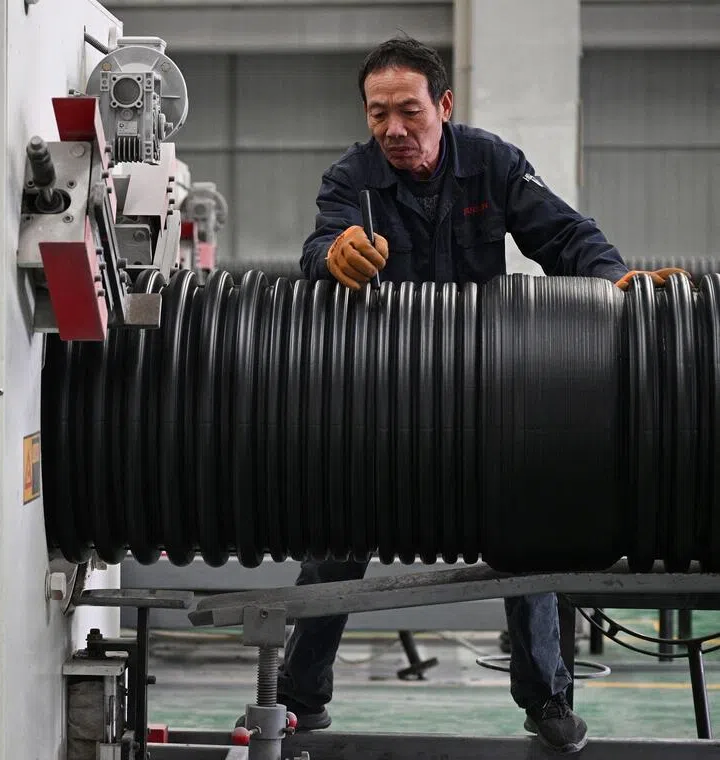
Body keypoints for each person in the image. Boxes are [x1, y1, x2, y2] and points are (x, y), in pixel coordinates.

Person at [279, 36, 685, 754]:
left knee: (531, 540)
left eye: (409, 112)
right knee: (338, 539)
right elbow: (319, 248)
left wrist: (616, 281)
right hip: (387, 398)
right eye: (379, 115)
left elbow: (562, 236)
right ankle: (298, 698)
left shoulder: (491, 164)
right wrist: (333, 256)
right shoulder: (352, 177)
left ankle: (547, 700)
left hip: (487, 400)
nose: (394, 130)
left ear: (443, 104)